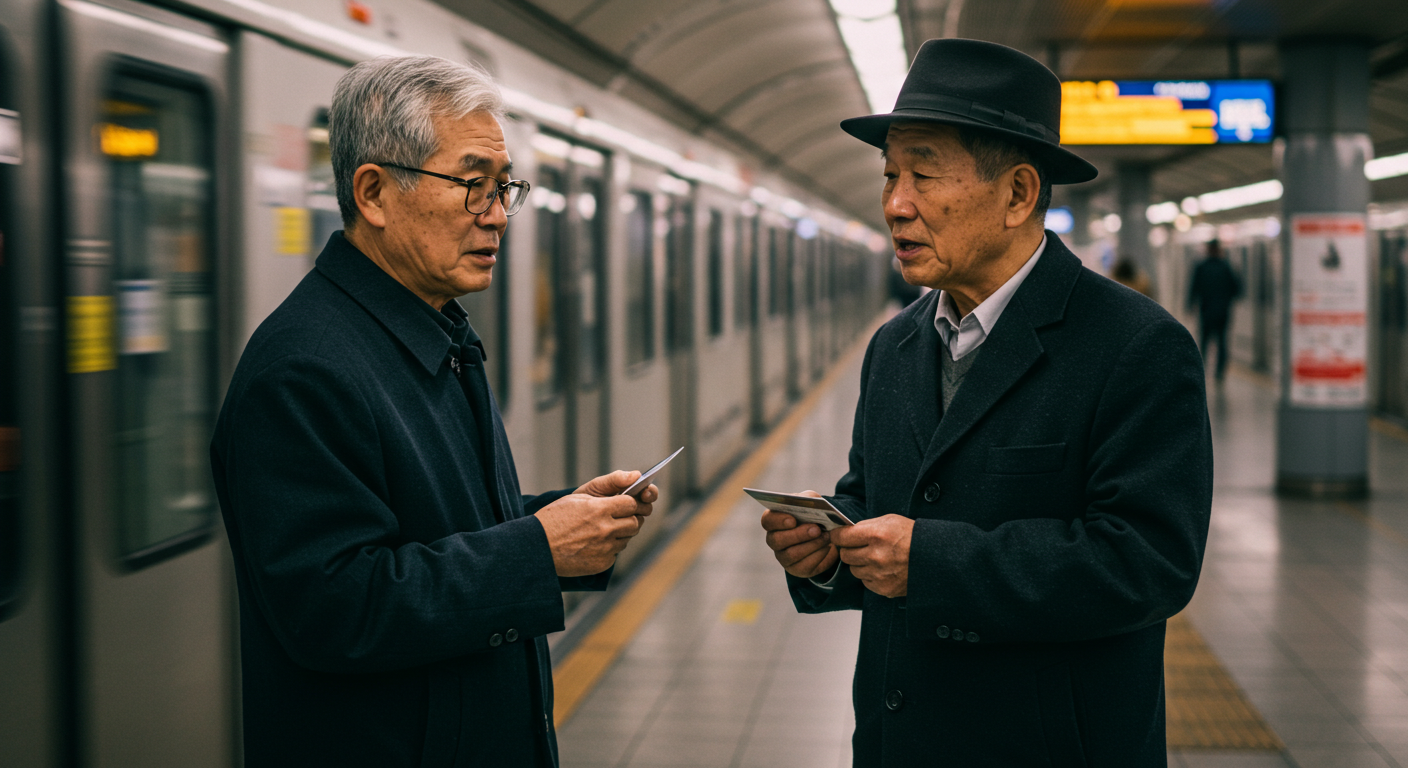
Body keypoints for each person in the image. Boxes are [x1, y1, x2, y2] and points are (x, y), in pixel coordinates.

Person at [759, 39, 1212, 767]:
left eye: (923, 174)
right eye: (890, 175)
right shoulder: (894, 348)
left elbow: (1149, 563)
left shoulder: (1135, 346)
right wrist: (826, 557)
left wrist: (931, 563)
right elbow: (873, 505)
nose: (894, 204)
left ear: (1018, 195)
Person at [210, 57, 657, 768]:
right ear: (375, 192)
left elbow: (436, 526)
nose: (500, 214)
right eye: (473, 185)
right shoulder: (304, 371)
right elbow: (334, 608)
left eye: (504, 187)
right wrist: (537, 550)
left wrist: (567, 518)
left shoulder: (429, 329)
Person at [1187, 239, 1243, 380]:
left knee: (1204, 341)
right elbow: (1237, 289)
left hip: (1206, 311)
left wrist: (1189, 305)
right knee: (1222, 342)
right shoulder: (1226, 267)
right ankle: (1219, 373)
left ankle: (1202, 370)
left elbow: (1193, 288)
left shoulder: (1201, 267)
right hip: (1223, 312)